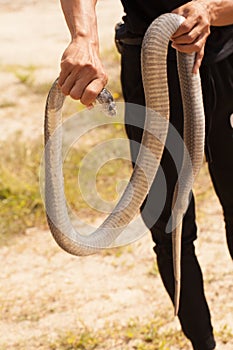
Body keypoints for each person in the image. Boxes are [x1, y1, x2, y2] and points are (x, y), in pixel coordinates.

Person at [58, 1, 233, 349]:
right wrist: (83, 36)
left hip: (226, 59)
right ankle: (203, 345)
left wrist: (213, 10)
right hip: (147, 62)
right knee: (169, 229)